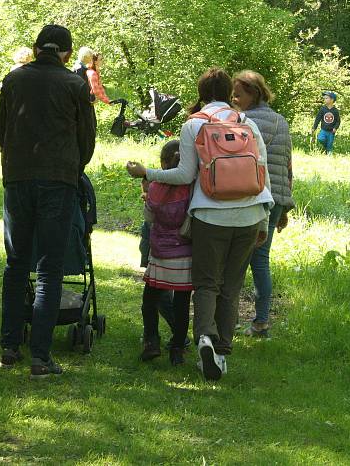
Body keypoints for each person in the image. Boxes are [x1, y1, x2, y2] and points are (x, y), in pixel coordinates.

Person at [126, 67, 273, 381]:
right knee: (231, 288)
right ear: (228, 93)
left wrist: (147, 174)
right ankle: (221, 351)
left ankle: (204, 336)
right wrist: (263, 219)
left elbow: (184, 175)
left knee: (207, 284)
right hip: (248, 215)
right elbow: (263, 174)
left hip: (209, 215)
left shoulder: (193, 124)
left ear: (202, 93)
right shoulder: (246, 122)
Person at [0, 24, 96, 378]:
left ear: (37, 48)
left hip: (18, 178)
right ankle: (40, 356)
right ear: (66, 53)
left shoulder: (14, 79)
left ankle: (9, 347)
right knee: (50, 268)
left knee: (17, 262)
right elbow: (87, 142)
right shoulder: (75, 85)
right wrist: (72, 166)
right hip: (58, 180)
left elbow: (0, 132)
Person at [232, 70, 294, 338]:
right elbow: (288, 166)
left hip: (251, 197)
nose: (234, 98)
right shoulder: (281, 121)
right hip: (276, 198)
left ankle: (229, 317)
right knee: (261, 260)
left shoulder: (242, 122)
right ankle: (261, 322)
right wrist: (285, 207)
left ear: (253, 93)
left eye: (239, 93)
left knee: (235, 260)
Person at [139, 139, 193, 365]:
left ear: (162, 164)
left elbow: (149, 218)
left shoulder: (155, 186)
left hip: (160, 253)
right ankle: (178, 348)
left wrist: (145, 195)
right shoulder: (191, 187)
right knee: (181, 304)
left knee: (149, 300)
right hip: (184, 253)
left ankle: (151, 340)